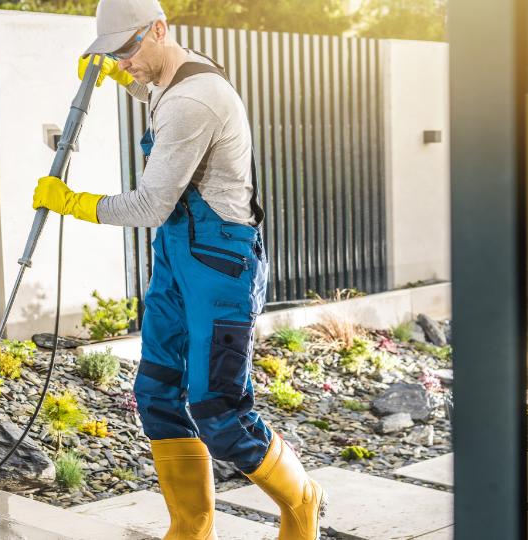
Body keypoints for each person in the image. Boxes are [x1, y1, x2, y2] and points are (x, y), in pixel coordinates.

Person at [32, 1, 327, 538]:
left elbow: (150, 206)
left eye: (128, 49)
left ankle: (302, 501)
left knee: (218, 408)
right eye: (114, 52)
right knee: (158, 391)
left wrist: (73, 202)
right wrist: (124, 78)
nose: (125, 60)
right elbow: (153, 88)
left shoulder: (195, 100)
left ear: (159, 30)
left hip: (220, 266)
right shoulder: (175, 76)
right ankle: (192, 526)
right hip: (177, 260)